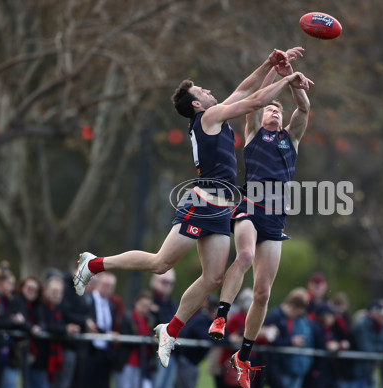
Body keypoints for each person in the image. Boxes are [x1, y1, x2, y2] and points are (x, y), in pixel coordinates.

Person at [72, 47, 312, 370]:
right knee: (160, 263)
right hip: (202, 203)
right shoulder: (208, 117)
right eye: (202, 91)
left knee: (213, 277)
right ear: (197, 104)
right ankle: (94, 264)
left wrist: (271, 65)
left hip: (221, 211)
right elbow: (254, 101)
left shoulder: (217, 112)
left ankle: (170, 331)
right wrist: (289, 80)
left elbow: (245, 91)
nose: (209, 90)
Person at [207, 58, 312, 388]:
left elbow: (305, 110)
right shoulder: (252, 132)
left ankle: (244, 356)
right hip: (250, 206)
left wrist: (296, 85)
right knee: (245, 256)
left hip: (276, 217)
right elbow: (255, 97)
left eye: (279, 111)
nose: (275, 112)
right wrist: (275, 73)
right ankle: (221, 315)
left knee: (264, 292)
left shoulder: (289, 140)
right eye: (271, 109)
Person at [264, 287, 312, 388]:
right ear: (293, 307)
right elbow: (270, 340)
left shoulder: (286, 318)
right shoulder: (275, 316)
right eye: (297, 313)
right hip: (269, 363)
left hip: (279, 364)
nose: (296, 316)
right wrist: (291, 341)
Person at [114, 291, 156, 388]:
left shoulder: (150, 320)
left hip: (143, 364)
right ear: (136, 303)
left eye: (147, 306)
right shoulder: (128, 318)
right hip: (127, 362)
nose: (145, 308)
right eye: (143, 305)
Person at [86, 272, 119, 388]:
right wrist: (106, 333)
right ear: (98, 284)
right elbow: (91, 323)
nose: (108, 288)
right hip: (90, 350)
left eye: (111, 286)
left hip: (105, 352)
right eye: (105, 285)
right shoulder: (89, 299)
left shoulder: (111, 305)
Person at [350, 299, 383, 388]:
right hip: (359, 373)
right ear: (373, 312)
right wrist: (379, 351)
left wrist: (378, 351)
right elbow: (367, 349)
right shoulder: (361, 325)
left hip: (374, 372)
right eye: (382, 314)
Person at [150, 271, 178, 388]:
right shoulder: (149, 300)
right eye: (164, 282)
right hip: (153, 352)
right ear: (155, 282)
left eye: (170, 283)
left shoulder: (172, 304)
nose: (167, 285)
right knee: (155, 387)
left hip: (171, 352)